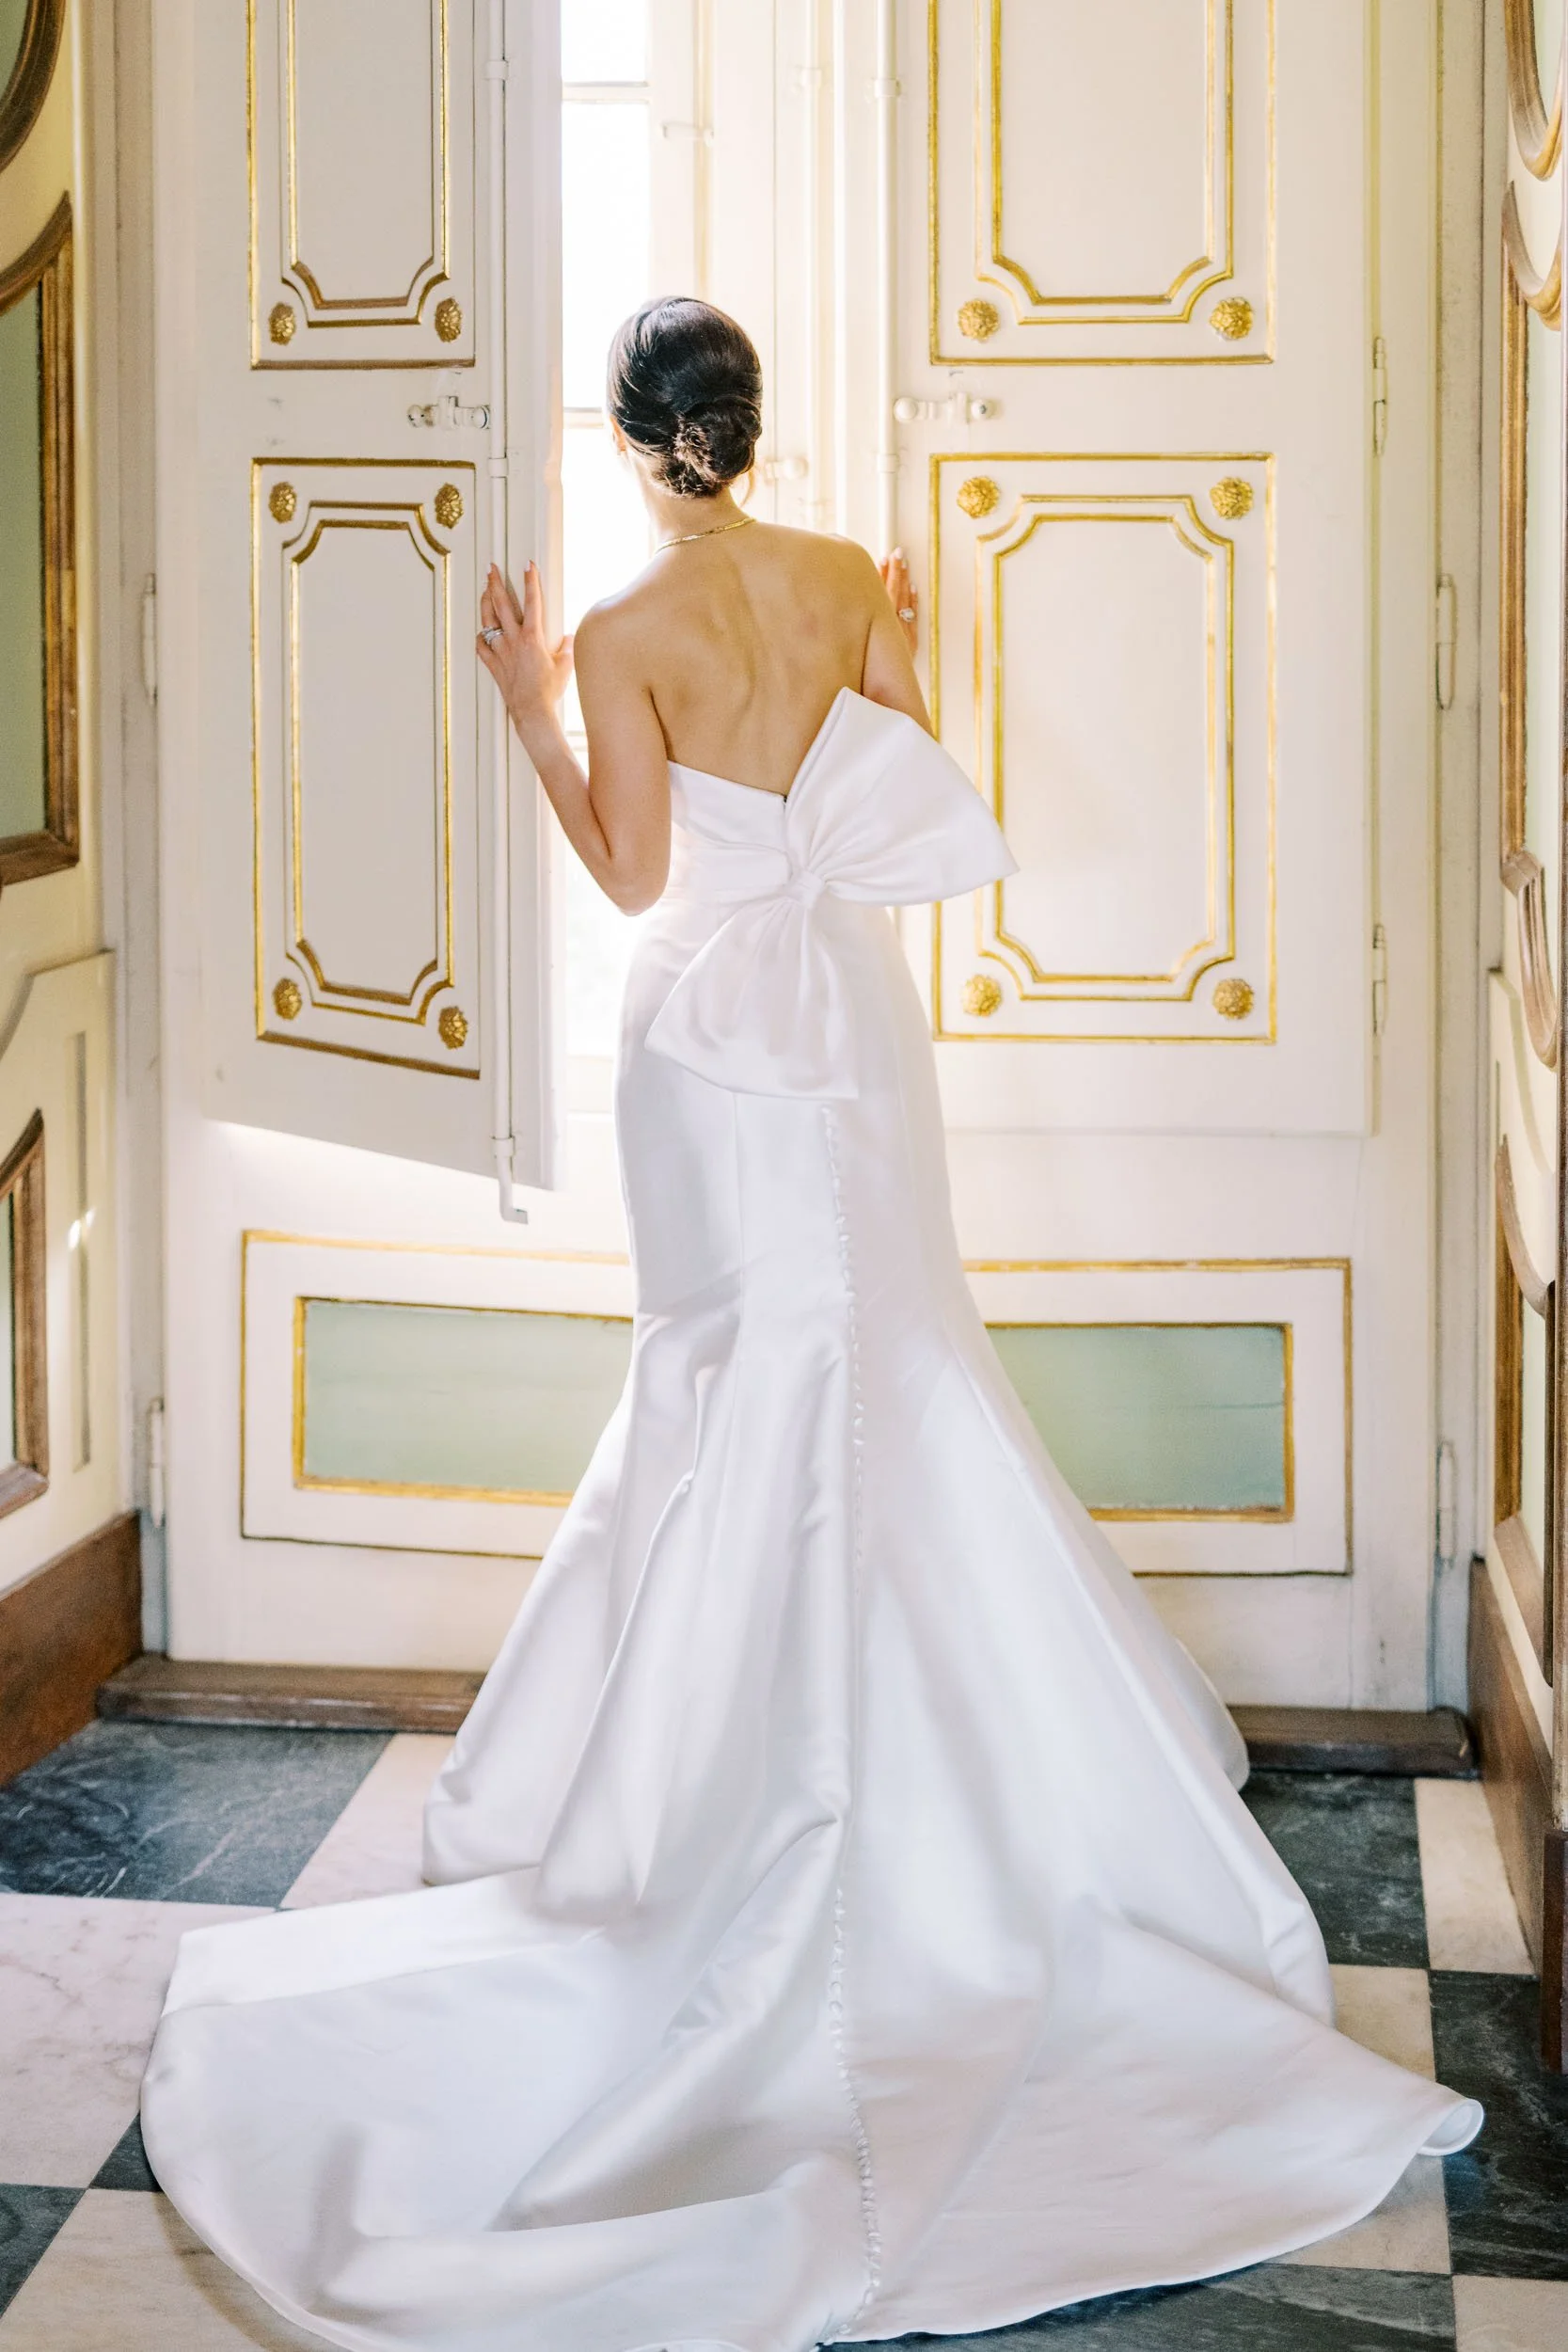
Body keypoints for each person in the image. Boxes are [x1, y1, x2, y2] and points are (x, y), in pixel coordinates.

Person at [142, 296, 1481, 2352]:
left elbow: (625, 868)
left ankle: (712, 1795)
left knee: (725, 1377)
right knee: (886, 1353)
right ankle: (974, 1793)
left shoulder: (609, 628)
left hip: (703, 1047)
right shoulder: (850, 574)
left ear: (626, 437)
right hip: (848, 1031)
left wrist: (522, 697)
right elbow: (906, 779)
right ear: (746, 432)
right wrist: (892, 630)